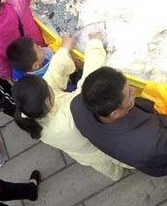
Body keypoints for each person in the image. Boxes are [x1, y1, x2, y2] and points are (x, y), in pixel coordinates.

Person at [12, 31, 131, 180]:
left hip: (81, 153)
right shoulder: (68, 118)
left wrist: (64, 49)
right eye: (47, 87)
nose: (48, 84)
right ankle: (126, 169)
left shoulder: (31, 112)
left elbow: (53, 73)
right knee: (113, 159)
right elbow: (88, 85)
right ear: (48, 100)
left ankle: (117, 175)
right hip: (96, 148)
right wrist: (95, 45)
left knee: (106, 167)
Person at [72, 66, 167, 187]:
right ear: (115, 113)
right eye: (129, 94)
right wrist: (165, 116)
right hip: (166, 162)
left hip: (131, 152)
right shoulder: (151, 143)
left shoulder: (77, 106)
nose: (133, 90)